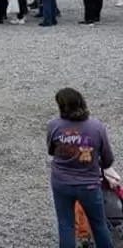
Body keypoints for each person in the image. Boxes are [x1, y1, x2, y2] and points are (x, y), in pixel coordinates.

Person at [47, 87, 114, 248]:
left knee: (65, 225)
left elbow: (51, 151)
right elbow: (108, 159)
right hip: (89, 185)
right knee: (99, 225)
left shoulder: (54, 125)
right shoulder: (96, 127)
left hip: (61, 183)